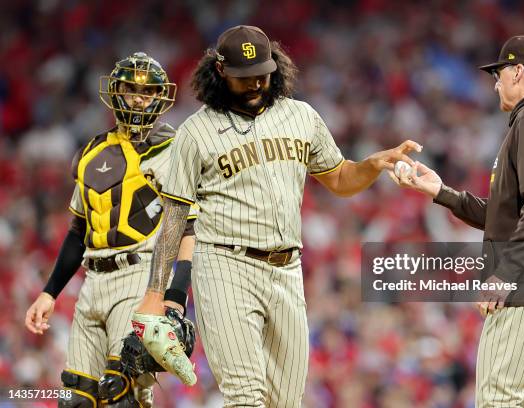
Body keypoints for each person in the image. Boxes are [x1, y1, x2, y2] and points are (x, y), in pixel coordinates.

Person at [131, 25, 422, 407]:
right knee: (246, 397)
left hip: (287, 268)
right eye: (244, 77)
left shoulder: (300, 116)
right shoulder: (196, 132)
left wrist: (370, 165)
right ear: (220, 72)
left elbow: (337, 177)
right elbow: (174, 216)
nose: (255, 84)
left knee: (286, 401)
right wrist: (155, 293)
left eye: (261, 74)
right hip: (224, 265)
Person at [390, 35, 524, 407]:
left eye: (498, 73)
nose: (495, 83)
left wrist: (505, 274)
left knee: (498, 401)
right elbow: (511, 214)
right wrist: (442, 192)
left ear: (518, 72)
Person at [24, 52, 197, 407]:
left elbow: (188, 228)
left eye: (147, 92)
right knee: (77, 400)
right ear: (114, 91)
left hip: (140, 275)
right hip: (93, 282)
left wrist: (175, 297)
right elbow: (78, 230)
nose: (138, 97)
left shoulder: (172, 149)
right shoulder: (91, 152)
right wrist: (49, 292)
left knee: (121, 393)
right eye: (130, 88)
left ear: (160, 97)